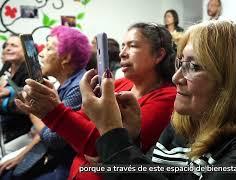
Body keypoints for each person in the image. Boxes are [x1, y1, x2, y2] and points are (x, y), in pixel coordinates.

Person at [75, 20, 236, 180]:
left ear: (234, 79)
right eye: (180, 63)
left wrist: (113, 135)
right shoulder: (187, 120)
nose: (177, 78)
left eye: (194, 66)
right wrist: (130, 140)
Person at [15, 22, 177, 180]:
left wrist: (54, 112)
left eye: (132, 46)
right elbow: (81, 133)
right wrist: (57, 105)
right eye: (122, 46)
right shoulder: (121, 84)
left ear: (158, 55)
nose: (122, 53)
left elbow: (105, 147)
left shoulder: (167, 97)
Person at [0, 25, 91, 179]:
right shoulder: (66, 84)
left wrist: (33, 112)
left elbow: (54, 139)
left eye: (48, 49)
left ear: (66, 57)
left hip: (67, 164)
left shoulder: (77, 89)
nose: (40, 54)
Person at [0, 35, 32, 154]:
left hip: (23, 130)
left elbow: (27, 106)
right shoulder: (7, 67)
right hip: (6, 126)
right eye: (6, 45)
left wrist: (9, 93)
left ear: (25, 50)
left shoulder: (29, 72)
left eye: (13, 45)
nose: (8, 48)